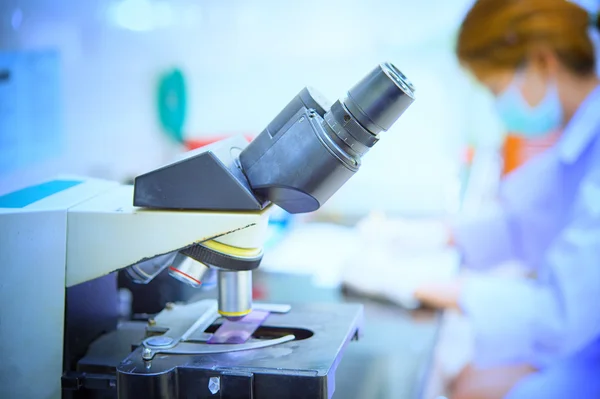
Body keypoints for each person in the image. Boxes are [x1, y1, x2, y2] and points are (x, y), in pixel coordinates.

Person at [389, 0, 600, 398]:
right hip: (584, 341)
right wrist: (439, 235)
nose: (497, 106)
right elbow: (535, 221)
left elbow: (562, 313)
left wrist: (418, 285)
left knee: (470, 386)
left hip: (585, 346)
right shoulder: (585, 129)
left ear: (542, 61)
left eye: (496, 89)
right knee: (467, 379)